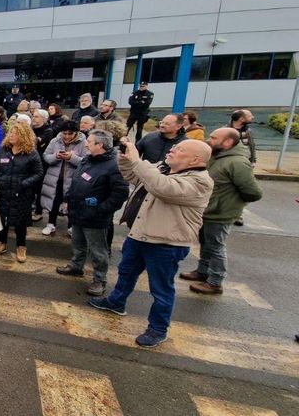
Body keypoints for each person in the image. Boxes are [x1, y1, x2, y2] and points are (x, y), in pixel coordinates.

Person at [88, 139, 213, 348]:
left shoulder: (200, 181)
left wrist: (138, 161)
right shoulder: (161, 168)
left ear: (195, 159)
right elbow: (132, 175)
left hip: (166, 244)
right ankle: (116, 302)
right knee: (126, 273)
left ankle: (158, 328)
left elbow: (161, 187)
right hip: (139, 234)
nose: (172, 150)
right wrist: (126, 157)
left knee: (161, 289)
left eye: (180, 149)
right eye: (175, 147)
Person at [179, 128, 262, 294]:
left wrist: (232, 204)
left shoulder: (237, 162)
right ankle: (202, 272)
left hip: (220, 214)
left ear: (228, 142)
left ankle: (215, 282)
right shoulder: (217, 156)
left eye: (214, 137)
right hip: (207, 211)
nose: (209, 140)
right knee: (206, 244)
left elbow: (253, 192)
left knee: (216, 247)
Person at [55, 130, 129, 296]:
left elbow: (121, 194)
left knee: (98, 251)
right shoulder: (88, 159)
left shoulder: (114, 166)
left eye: (89, 141)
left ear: (100, 145)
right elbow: (76, 181)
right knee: (78, 244)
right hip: (78, 213)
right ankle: (76, 267)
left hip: (95, 218)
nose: (86, 144)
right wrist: (68, 199)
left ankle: (99, 280)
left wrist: (101, 210)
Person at [0, 123, 43, 262]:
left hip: (22, 194)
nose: (11, 135)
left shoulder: (31, 152)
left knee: (20, 221)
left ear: (24, 136)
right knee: (2, 218)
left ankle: (21, 246)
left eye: (15, 133)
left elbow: (38, 173)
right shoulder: (3, 150)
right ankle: (1, 242)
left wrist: (23, 184)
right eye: (11, 133)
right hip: (3, 191)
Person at [40, 121, 87, 236]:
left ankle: (71, 226)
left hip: (73, 180)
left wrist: (72, 157)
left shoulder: (83, 143)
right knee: (54, 201)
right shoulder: (54, 141)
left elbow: (86, 161)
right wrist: (56, 156)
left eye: (70, 134)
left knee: (72, 203)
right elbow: (46, 156)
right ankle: (50, 223)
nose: (66, 136)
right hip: (55, 178)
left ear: (76, 133)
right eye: (64, 133)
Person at [31, 109, 53, 222]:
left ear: (44, 119)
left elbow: (37, 143)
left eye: (36, 116)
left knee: (39, 188)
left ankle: (38, 211)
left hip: (40, 163)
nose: (33, 118)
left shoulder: (48, 131)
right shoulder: (32, 129)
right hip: (29, 162)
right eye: (33, 116)